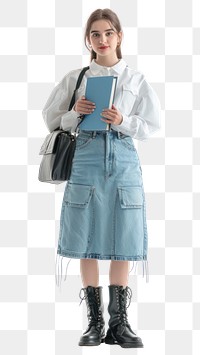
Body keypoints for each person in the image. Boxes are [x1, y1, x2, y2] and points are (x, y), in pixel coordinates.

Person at [42, 8, 161, 349]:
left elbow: (150, 125)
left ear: (119, 36)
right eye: (95, 34)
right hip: (86, 158)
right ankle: (94, 322)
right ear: (88, 40)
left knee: (125, 231)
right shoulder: (76, 78)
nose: (102, 40)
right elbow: (51, 119)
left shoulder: (135, 79)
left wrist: (122, 120)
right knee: (84, 230)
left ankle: (120, 323)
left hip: (123, 157)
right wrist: (73, 114)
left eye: (108, 33)